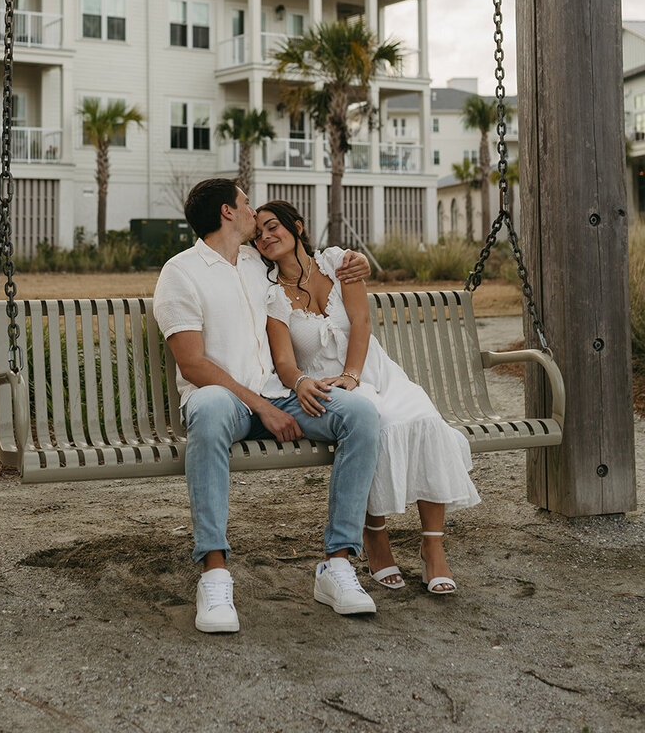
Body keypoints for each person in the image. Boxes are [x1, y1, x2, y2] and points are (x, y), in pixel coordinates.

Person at [153, 178, 381, 634]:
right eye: (246, 202)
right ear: (227, 212)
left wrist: (355, 262)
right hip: (227, 402)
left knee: (360, 415)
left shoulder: (260, 262)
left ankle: (337, 566)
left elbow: (316, 264)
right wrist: (262, 407)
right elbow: (193, 363)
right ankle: (214, 574)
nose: (254, 211)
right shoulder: (180, 272)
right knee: (213, 407)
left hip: (281, 395)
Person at [254, 200, 480, 595]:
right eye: (257, 234)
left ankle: (433, 546)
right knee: (377, 424)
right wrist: (302, 383)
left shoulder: (339, 262)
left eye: (272, 226)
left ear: (298, 227)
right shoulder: (272, 295)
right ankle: (375, 536)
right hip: (326, 387)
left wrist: (352, 375)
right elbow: (285, 363)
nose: (265, 236)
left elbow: (360, 321)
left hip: (371, 371)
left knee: (425, 420)